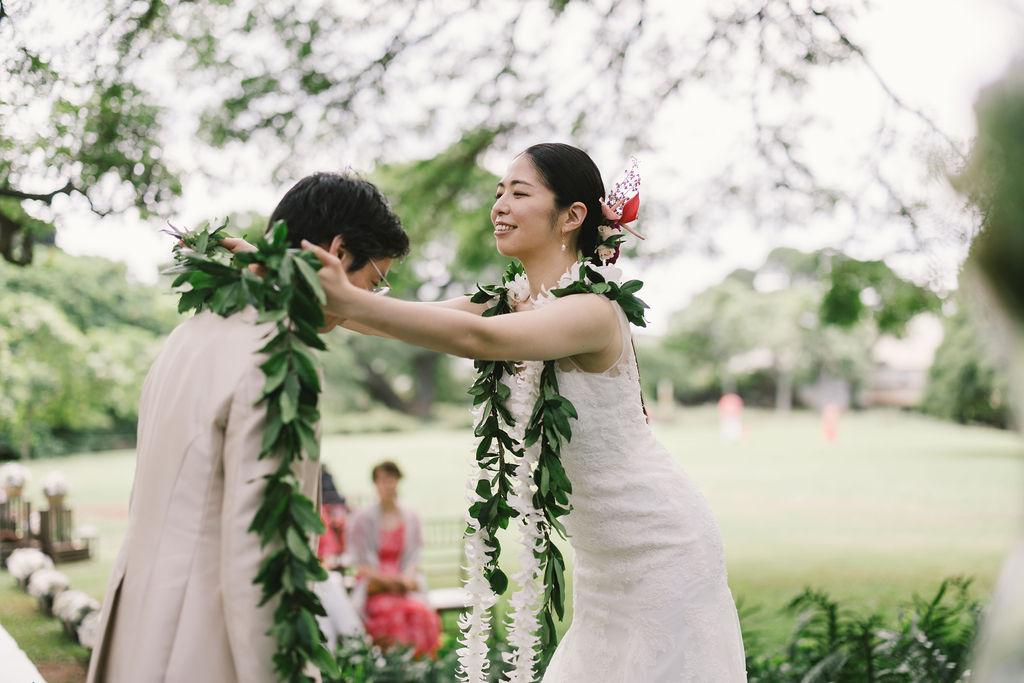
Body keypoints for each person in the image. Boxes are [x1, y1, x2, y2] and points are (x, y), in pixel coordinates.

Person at [302, 143, 747, 681]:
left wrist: (347, 299)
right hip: (603, 568)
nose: (499, 206)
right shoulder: (507, 301)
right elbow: (387, 319)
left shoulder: (593, 310)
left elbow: (476, 337)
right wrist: (288, 278)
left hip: (662, 548)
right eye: (498, 193)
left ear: (573, 215)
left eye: (519, 192)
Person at [86, 172, 410, 683]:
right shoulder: (277, 356)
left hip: (135, 631)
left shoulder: (189, 333)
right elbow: (260, 551)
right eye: (375, 280)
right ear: (338, 250)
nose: (370, 298)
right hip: (203, 646)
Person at [348, 460, 441, 658]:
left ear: (398, 481)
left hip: (403, 584)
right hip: (375, 584)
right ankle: (394, 669)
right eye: (383, 480)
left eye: (392, 479)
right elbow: (360, 563)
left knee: (421, 613)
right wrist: (389, 582)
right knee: (393, 614)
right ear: (375, 484)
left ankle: (421, 669)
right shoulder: (362, 519)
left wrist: (405, 578)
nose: (388, 485)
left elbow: (414, 557)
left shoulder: (410, 517)